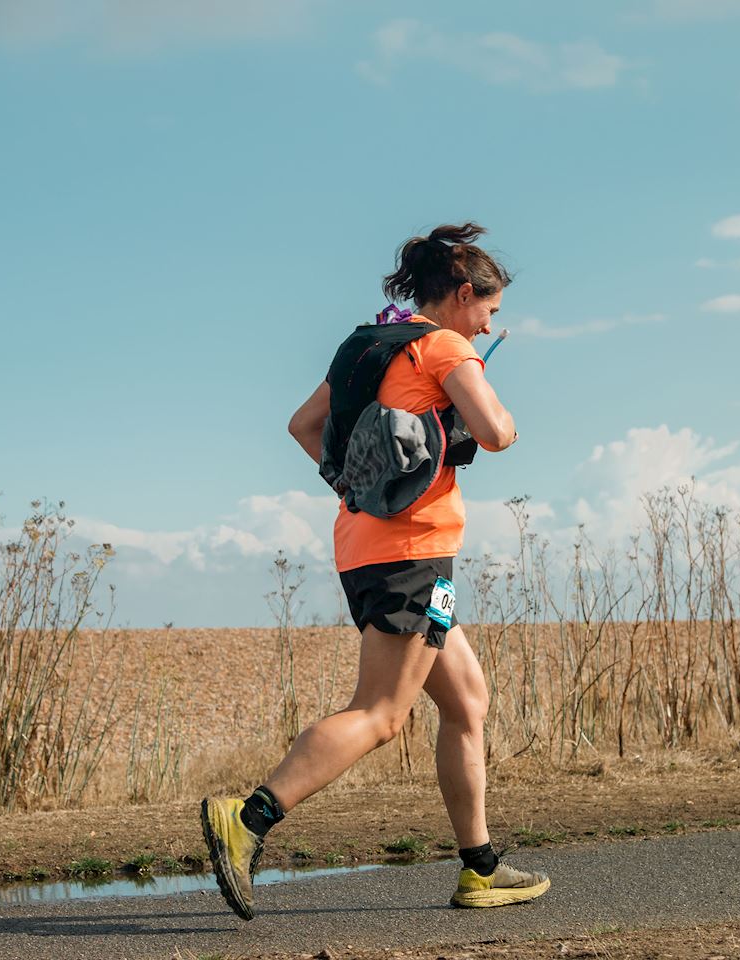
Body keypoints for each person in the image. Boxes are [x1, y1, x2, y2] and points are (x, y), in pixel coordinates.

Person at [200, 223, 550, 920]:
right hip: (412, 553)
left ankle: (480, 869)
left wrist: (355, 484)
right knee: (383, 713)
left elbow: (304, 425)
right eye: (490, 311)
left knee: (467, 702)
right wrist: (485, 406)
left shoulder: (367, 346)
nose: (488, 326)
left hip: (372, 546)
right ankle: (248, 817)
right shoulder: (444, 345)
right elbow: (496, 432)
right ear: (460, 294)